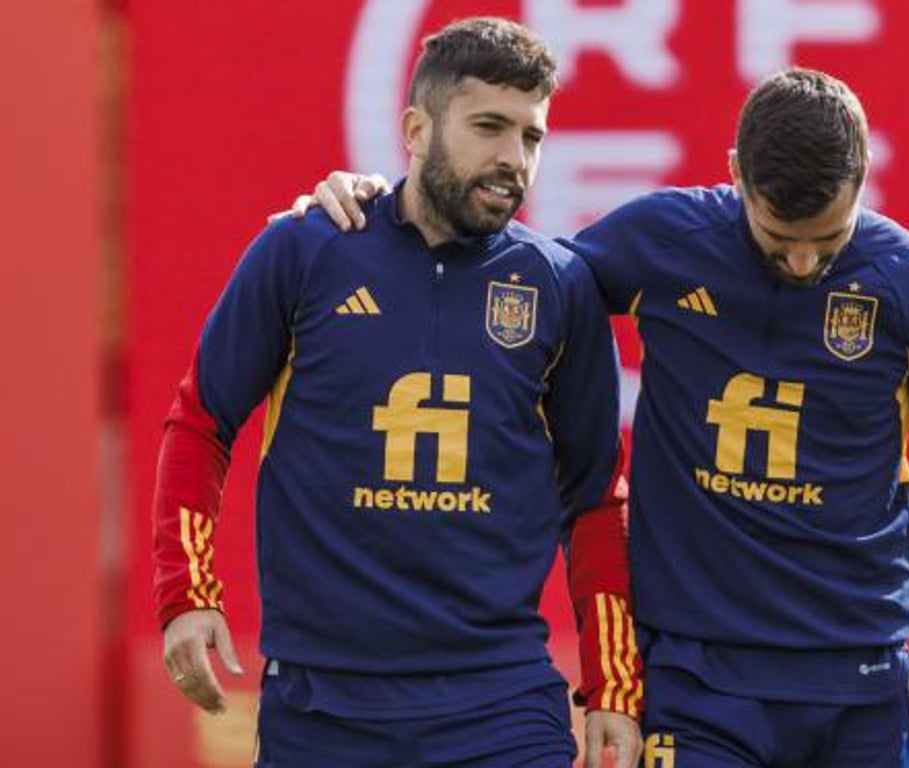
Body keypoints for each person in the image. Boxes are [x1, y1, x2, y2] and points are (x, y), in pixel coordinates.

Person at [293, 67, 909, 768]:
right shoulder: (666, 241)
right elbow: (508, 280)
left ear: (863, 187)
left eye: (829, 240)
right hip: (695, 676)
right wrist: (376, 213)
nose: (802, 265)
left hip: (861, 675)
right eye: (780, 240)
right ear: (734, 175)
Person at [153, 17, 642, 768]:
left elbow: (596, 501)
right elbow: (200, 423)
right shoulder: (306, 249)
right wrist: (188, 594)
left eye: (532, 137)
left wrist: (613, 684)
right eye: (489, 127)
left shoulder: (560, 286)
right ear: (415, 127)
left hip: (500, 708)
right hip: (323, 709)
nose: (514, 158)